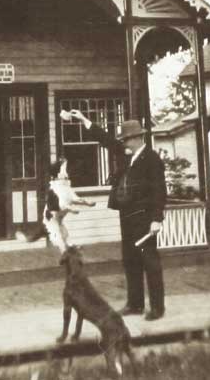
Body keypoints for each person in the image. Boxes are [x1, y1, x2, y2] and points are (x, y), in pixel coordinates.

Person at [65, 109, 167, 321]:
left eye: (127, 139)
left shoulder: (152, 160)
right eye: (123, 140)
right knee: (130, 260)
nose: (124, 143)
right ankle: (135, 304)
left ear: (138, 138)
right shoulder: (126, 156)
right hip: (128, 217)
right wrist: (85, 120)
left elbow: (159, 192)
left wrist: (157, 219)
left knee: (149, 262)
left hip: (145, 219)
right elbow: (107, 141)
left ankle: (157, 308)